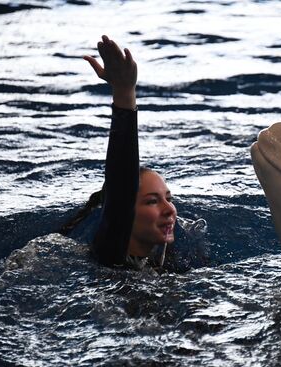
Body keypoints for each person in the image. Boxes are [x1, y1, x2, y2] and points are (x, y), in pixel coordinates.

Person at [60, 35, 208, 272]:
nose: (170, 209)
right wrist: (124, 92)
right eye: (152, 201)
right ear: (127, 210)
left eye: (168, 199)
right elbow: (122, 183)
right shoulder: (112, 258)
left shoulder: (166, 262)